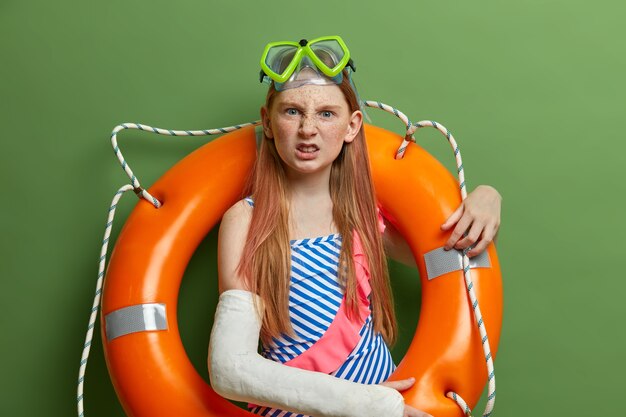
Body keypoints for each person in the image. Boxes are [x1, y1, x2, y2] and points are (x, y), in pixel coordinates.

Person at [208, 36, 502, 417]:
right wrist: (369, 406)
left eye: (326, 113)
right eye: (292, 112)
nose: (308, 129)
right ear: (268, 122)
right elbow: (230, 369)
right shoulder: (245, 220)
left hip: (397, 403)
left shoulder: (365, 218)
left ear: (352, 126)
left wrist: (487, 195)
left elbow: (451, 253)